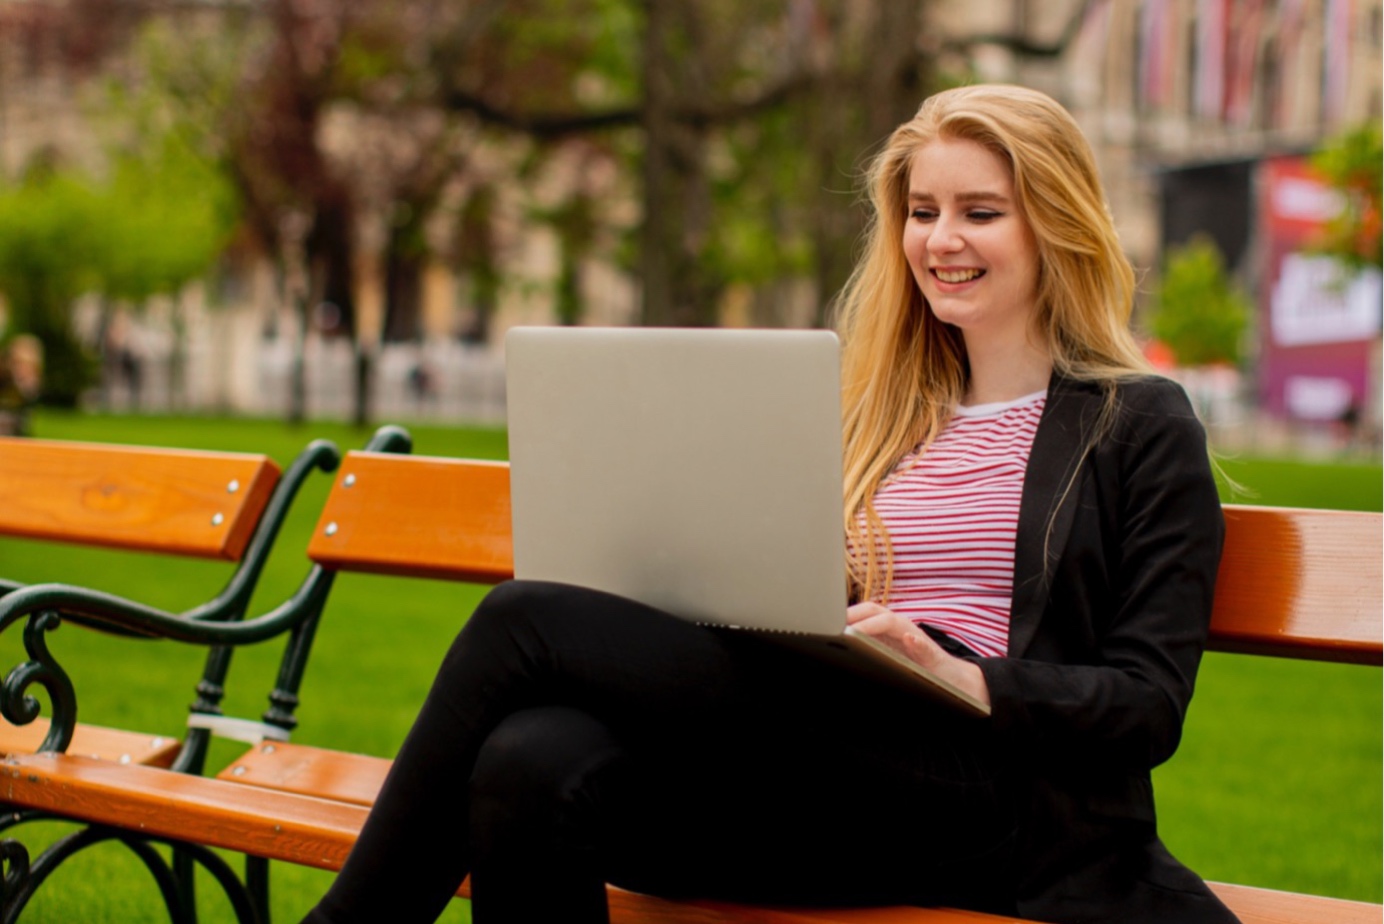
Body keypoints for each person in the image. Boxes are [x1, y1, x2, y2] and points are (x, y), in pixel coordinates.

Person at [304, 84, 1237, 924]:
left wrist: (958, 675)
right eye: (921, 212)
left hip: (991, 797)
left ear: (1055, 224)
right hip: (825, 770)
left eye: (979, 212)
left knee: (525, 619)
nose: (940, 240)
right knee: (529, 759)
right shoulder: (878, 413)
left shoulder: (1138, 423)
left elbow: (1148, 705)